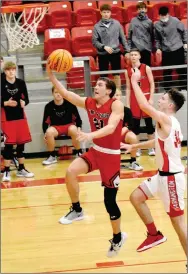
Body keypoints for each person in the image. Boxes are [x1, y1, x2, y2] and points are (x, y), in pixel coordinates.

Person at [47, 64, 127, 257]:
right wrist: (51, 76)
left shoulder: (116, 104)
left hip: (111, 156)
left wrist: (90, 135)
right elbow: (66, 94)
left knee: (109, 202)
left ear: (108, 90)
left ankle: (117, 238)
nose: (96, 86)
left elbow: (110, 128)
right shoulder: (90, 102)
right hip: (96, 151)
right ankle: (77, 210)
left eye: (100, 84)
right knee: (70, 172)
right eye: (96, 84)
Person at [121, 68, 187, 257]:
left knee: (179, 224)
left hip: (172, 180)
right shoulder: (171, 123)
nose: (160, 99)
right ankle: (153, 234)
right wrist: (134, 147)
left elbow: (143, 105)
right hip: (161, 176)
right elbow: (158, 141)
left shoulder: (165, 119)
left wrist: (134, 82)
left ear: (171, 106)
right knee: (136, 197)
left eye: (164, 98)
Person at [1, 61, 34, 182]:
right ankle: (6, 171)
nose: (11, 72)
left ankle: (21, 169)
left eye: (13, 69)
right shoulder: (1, 83)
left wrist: (24, 102)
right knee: (8, 146)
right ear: (5, 71)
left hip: (20, 116)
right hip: (7, 118)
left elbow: (27, 99)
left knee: (21, 144)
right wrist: (6, 103)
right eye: (9, 70)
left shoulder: (21, 83)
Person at [125, 48, 155, 157]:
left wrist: (151, 98)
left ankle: (151, 148)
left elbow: (152, 83)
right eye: (131, 54)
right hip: (134, 100)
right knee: (135, 127)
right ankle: (137, 148)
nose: (133, 56)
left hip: (145, 97)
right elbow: (128, 88)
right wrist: (127, 103)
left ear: (139, 56)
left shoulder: (146, 68)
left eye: (135, 54)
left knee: (149, 125)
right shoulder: (127, 70)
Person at [92, 3, 130, 90]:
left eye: (108, 12)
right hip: (102, 54)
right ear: (101, 13)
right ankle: (104, 92)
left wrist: (127, 51)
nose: (106, 14)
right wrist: (104, 46)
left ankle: (118, 92)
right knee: (103, 76)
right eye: (104, 12)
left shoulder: (117, 24)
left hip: (115, 53)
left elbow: (123, 39)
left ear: (110, 13)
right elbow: (95, 42)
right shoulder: (96, 26)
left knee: (116, 74)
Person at [42, 86, 83, 165]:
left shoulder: (70, 104)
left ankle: (79, 153)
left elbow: (78, 119)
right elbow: (45, 122)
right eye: (56, 92)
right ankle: (52, 156)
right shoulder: (48, 106)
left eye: (60, 92)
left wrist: (79, 129)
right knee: (49, 132)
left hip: (69, 126)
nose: (58, 94)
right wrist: (45, 133)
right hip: (56, 127)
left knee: (74, 130)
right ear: (52, 94)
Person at [154, 6, 187, 90]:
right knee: (167, 71)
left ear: (168, 14)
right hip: (166, 50)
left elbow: (184, 32)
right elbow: (157, 38)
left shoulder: (175, 21)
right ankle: (167, 89)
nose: (164, 17)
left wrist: (185, 42)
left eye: (165, 15)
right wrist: (158, 48)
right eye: (162, 15)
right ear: (159, 15)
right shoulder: (157, 25)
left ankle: (183, 88)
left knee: (181, 70)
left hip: (178, 48)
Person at [115, 89, 143, 171]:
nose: (115, 97)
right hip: (110, 134)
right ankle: (111, 163)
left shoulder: (127, 110)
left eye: (117, 95)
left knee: (133, 137)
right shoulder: (107, 110)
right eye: (113, 95)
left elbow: (130, 125)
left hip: (122, 133)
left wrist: (121, 132)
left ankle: (133, 162)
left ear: (120, 96)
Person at [128, 1, 153, 66]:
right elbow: (129, 35)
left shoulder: (149, 22)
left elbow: (152, 35)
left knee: (146, 68)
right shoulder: (133, 20)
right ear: (137, 11)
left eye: (142, 8)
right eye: (139, 9)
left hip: (146, 48)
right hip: (135, 49)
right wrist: (129, 48)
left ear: (146, 9)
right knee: (136, 69)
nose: (141, 10)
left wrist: (149, 47)